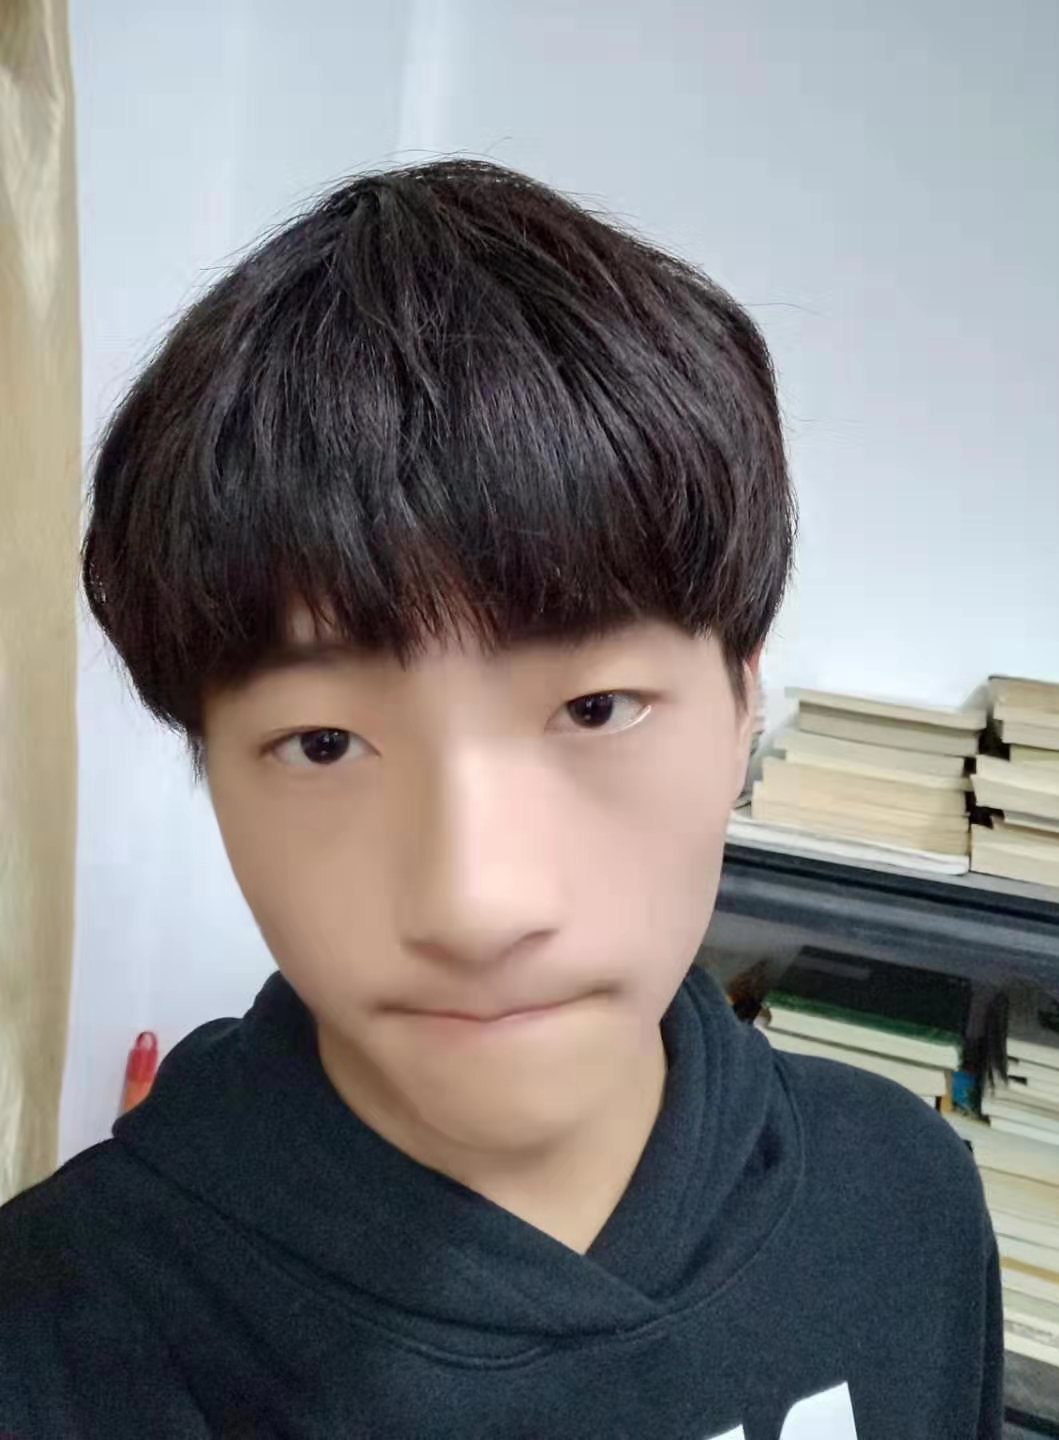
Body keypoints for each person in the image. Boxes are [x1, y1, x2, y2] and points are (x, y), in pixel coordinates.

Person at [0, 160, 1002, 1439]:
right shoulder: (56, 1336)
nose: (476, 905)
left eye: (596, 708)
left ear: (744, 703)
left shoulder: (905, 1202)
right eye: (323, 743)